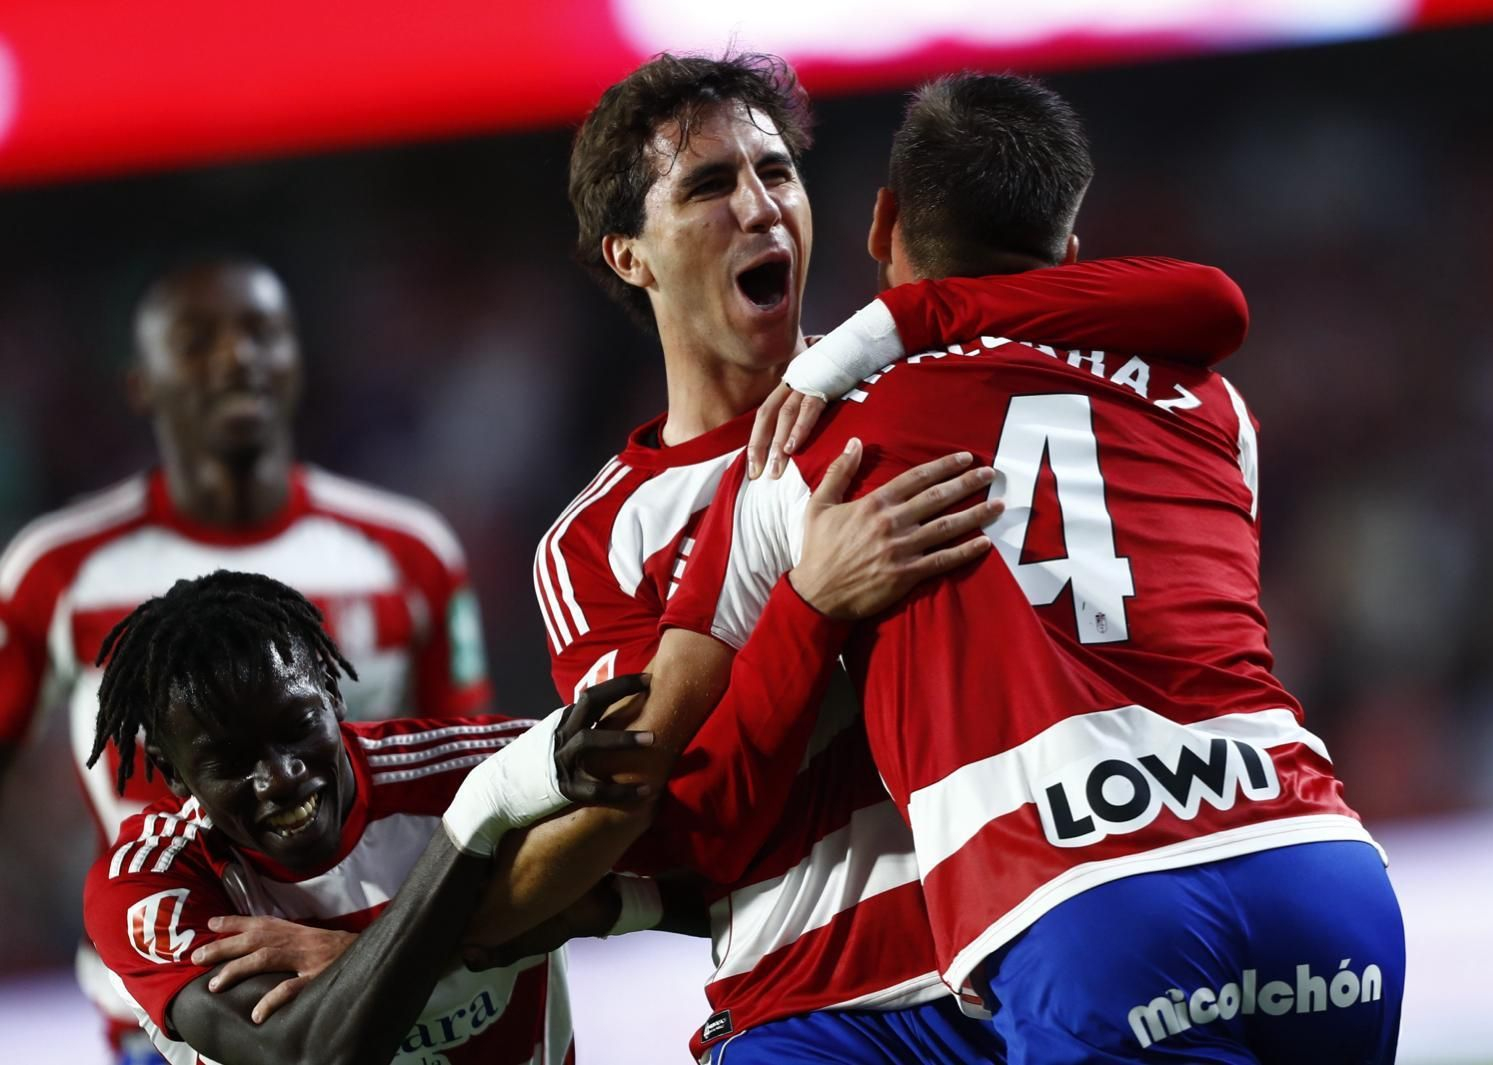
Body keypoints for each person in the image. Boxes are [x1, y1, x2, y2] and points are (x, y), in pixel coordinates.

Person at [480, 52, 1254, 1062]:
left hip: (1046, 942)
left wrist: (903, 318)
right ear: (630, 256)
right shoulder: (597, 538)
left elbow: (1199, 307)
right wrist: (810, 605)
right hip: (815, 994)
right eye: (711, 185)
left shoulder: (924, 389)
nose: (760, 208)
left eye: (776, 173)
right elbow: (676, 830)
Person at [657, 73, 1405, 1064]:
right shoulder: (1216, 412)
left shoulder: (811, 448)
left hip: (1087, 906)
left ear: (882, 223)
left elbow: (703, 796)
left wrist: (809, 607)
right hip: (1319, 873)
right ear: (1072, 254)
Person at [0, 255, 492, 1059]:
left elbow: (471, 794)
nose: (237, 356)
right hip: (163, 1021)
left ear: (297, 358)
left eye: (262, 332)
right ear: (141, 384)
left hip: (385, 991)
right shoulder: (55, 569)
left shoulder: (410, 552)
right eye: (199, 339)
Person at [81, 570, 658, 1065]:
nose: (281, 778)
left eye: (297, 729)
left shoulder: (487, 766)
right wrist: (473, 833)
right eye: (233, 762)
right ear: (174, 773)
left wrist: (614, 906)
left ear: (333, 695)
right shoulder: (150, 884)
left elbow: (705, 881)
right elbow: (309, 1053)